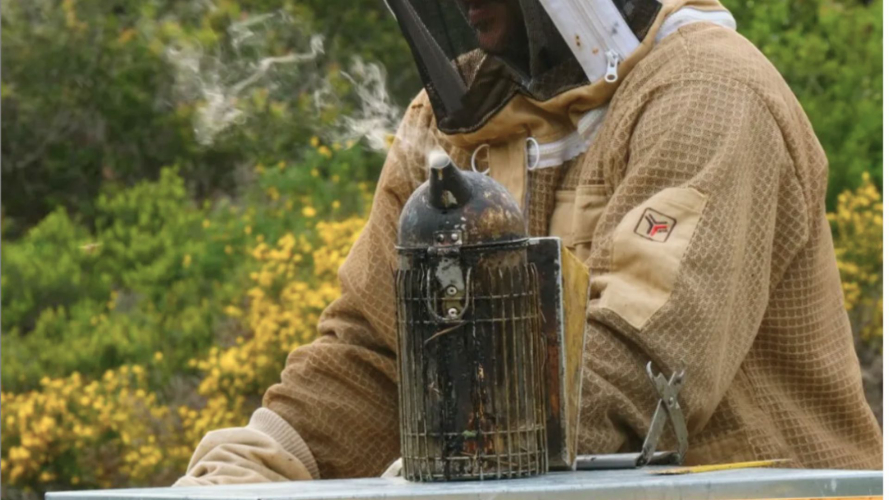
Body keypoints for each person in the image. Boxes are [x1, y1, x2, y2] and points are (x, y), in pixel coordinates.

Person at [174, 0, 882, 485]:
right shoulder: (452, 120)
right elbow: (377, 350)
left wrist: (442, 470)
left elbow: (634, 366)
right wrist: (263, 459)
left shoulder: (710, 94)